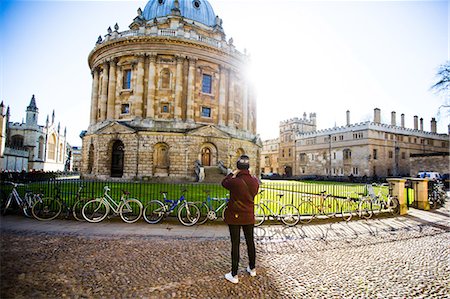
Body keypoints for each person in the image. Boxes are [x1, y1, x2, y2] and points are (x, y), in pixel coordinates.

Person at [221, 154, 260, 284]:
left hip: (235, 216)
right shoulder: (255, 181)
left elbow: (224, 183)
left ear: (238, 167)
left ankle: (234, 274)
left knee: (235, 244)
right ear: (248, 167)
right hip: (249, 215)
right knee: (250, 242)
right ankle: (252, 268)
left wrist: (233, 173)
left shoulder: (234, 181)